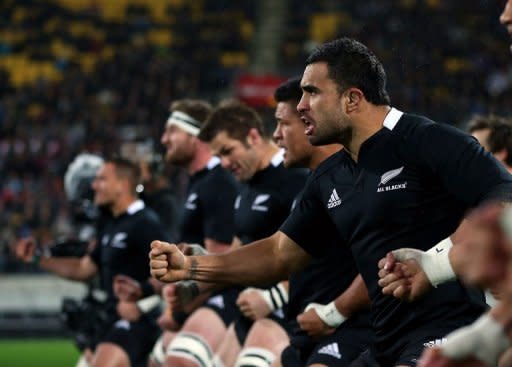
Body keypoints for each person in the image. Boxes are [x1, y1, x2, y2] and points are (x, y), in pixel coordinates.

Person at [149, 37, 512, 367]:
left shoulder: (428, 141)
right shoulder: (329, 177)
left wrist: (434, 266)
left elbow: (505, 196)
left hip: (447, 333)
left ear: (352, 98)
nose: (301, 105)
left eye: (312, 93)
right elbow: (279, 254)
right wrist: (193, 267)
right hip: (383, 342)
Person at [166, 100, 308, 367]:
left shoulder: (295, 178)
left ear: (253, 137)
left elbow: (311, 254)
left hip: (289, 310)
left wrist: (273, 296)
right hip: (247, 307)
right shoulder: (246, 187)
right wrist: (192, 281)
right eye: (219, 156)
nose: (225, 163)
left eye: (228, 151)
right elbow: (235, 257)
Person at [15, 157, 170, 367]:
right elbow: (83, 268)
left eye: (101, 179)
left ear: (122, 186)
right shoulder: (112, 225)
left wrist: (143, 302)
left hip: (136, 324)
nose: (94, 185)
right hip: (109, 320)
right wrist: (37, 258)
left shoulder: (145, 222)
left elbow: (170, 273)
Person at [148, 98, 239, 367]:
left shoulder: (217, 184)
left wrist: (179, 313)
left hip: (223, 297)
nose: (164, 139)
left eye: (171, 131)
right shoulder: (199, 183)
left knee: (179, 360)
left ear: (196, 135)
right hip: (198, 297)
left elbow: (221, 264)